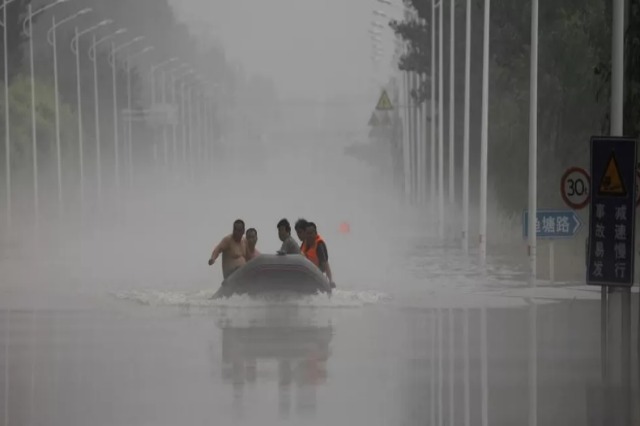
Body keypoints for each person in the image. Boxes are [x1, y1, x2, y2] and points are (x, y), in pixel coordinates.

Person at [301, 222, 335, 288]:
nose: (309, 236)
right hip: (305, 274)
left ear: (315, 233)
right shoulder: (304, 243)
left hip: (317, 275)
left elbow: (326, 265)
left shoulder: (319, 245)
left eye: (311, 233)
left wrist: (330, 281)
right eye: (307, 233)